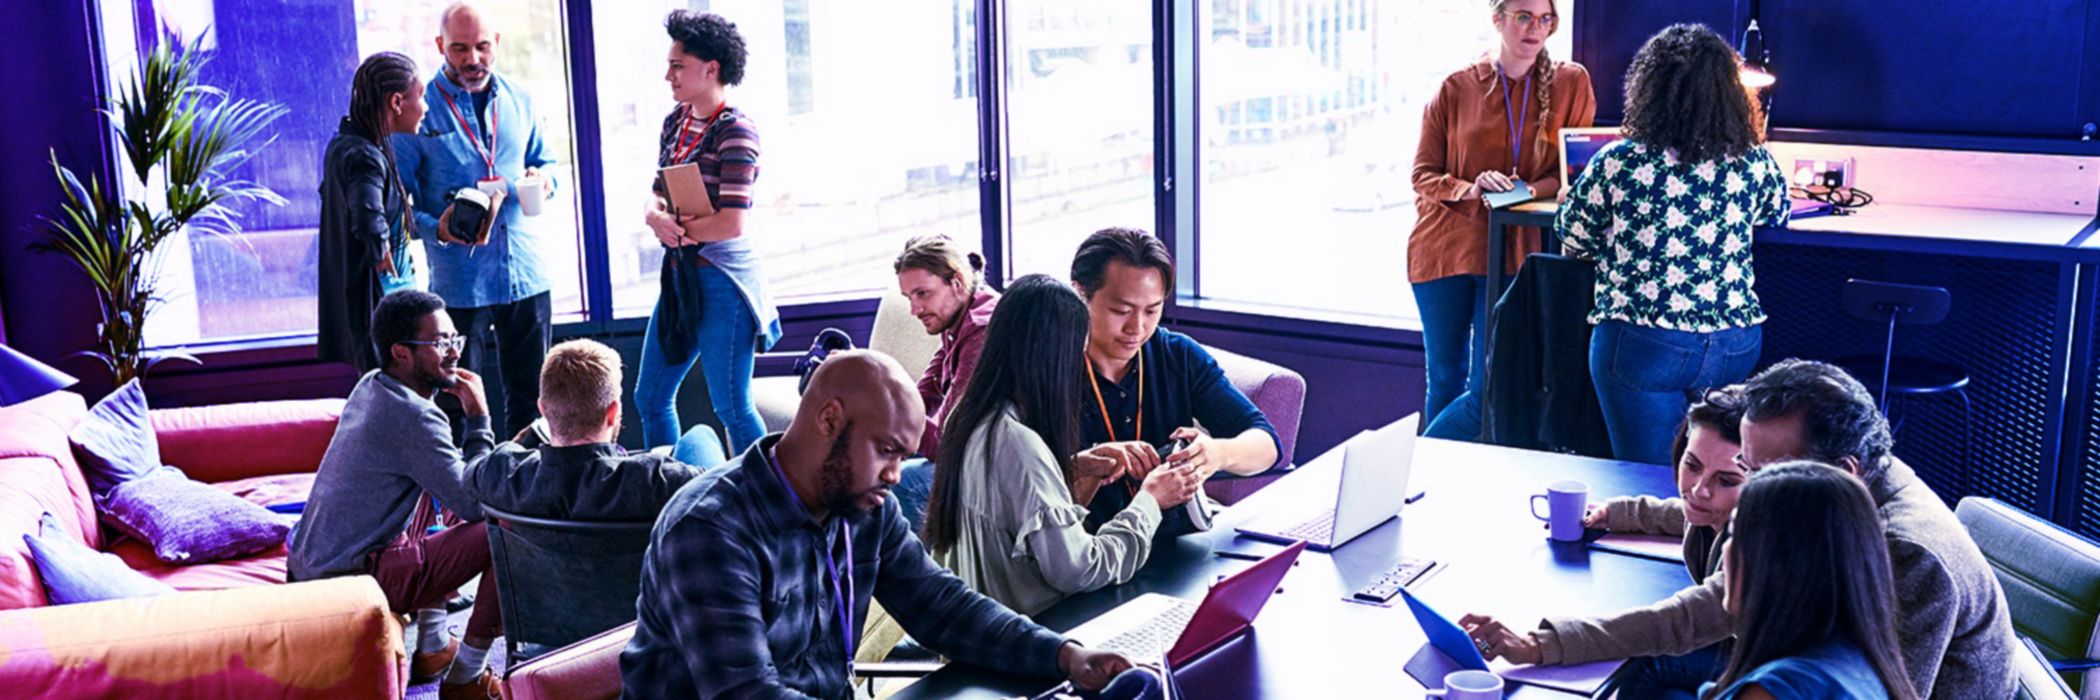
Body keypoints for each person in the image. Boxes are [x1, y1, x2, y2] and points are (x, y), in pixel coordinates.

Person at [619, 350, 1135, 697]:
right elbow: (746, 693)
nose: (895, 475)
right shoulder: (710, 529)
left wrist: (1066, 655)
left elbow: (941, 606)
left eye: (903, 456)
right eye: (886, 450)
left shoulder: (863, 505)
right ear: (828, 419)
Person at [1553, 23, 1789, 464]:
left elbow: (1573, 236)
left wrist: (1581, 205)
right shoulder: (1753, 160)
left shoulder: (1620, 161)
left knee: (1646, 475)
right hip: (1734, 343)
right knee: (1716, 475)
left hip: (1645, 340)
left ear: (1649, 90)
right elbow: (1775, 212)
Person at [922, 275, 1201, 615]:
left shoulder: (968, 414)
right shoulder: (1019, 446)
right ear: (1055, 359)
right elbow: (1079, 569)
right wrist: (1150, 501)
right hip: (1032, 630)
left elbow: (1016, 525)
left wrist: (1070, 469)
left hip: (974, 623)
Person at [1732, 360, 2013, 698]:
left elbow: (1883, 691)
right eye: (1747, 468)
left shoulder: (1905, 551)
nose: (1750, 490)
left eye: (1767, 474)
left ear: (1844, 470)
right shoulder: (1865, 482)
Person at [1459, 387, 1749, 696]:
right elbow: (1683, 513)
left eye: (1726, 480)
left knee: (1646, 662)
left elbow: (1677, 622)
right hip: (1742, 648)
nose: (1699, 490)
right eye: (1692, 465)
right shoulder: (1728, 509)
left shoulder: (1761, 549)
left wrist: (1538, 645)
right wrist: (1615, 512)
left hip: (1766, 671)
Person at [287, 290, 502, 700]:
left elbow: (448, 479)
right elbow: (475, 504)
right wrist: (479, 418)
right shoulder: (414, 416)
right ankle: (466, 677)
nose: (454, 351)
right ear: (401, 352)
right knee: (502, 529)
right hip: (346, 579)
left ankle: (433, 645)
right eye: (439, 342)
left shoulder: (372, 384)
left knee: (437, 485)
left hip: (312, 564)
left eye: (454, 338)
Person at [1411, 0, 1596, 441]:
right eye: (1524, 17)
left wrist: (1528, 190)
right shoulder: (1457, 86)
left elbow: (1574, 172)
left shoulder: (1572, 82)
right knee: (1444, 379)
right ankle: (1436, 477)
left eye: (1545, 19)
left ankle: (1415, 462)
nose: (1535, 28)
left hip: (1513, 252)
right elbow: (1422, 175)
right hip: (1444, 250)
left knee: (1486, 390)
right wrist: (1469, 188)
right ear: (1497, 20)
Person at [396, 2, 561, 437]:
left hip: (525, 272)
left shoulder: (521, 99)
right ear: (440, 45)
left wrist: (544, 181)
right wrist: (436, 229)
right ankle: (465, 483)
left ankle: (527, 481)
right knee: (456, 402)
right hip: (459, 280)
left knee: (534, 403)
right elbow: (395, 205)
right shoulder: (419, 110)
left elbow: (547, 162)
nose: (472, 59)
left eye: (482, 47)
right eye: (460, 48)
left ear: (497, 43)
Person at [1067, 228, 1280, 540]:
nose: (1137, 328)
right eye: (1121, 311)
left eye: (1152, 310)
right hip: (1093, 549)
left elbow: (1268, 444)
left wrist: (1217, 453)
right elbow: (1022, 497)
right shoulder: (1049, 366)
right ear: (1079, 293)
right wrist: (1083, 467)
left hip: (1178, 539)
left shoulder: (1175, 354)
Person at [634, 9, 781, 456]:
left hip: (723, 280)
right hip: (681, 276)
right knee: (649, 398)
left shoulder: (736, 131)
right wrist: (654, 217)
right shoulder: (676, 121)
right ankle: (666, 488)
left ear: (711, 69)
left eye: (678, 66)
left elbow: (731, 223)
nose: (668, 76)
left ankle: (765, 495)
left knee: (732, 407)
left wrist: (673, 228)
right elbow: (657, 192)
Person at [1702, 462, 1916, 700]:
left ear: (1781, 559)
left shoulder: (1779, 690)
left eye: (1736, 533)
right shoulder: (1858, 663)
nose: (1726, 549)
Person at [466, 339, 702, 521]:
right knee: (699, 436)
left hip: (540, 572)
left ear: (543, 410)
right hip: (640, 573)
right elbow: (718, 490)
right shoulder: (654, 479)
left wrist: (479, 419)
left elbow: (472, 468)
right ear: (612, 412)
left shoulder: (503, 474)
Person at [317, 52, 424, 372]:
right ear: (396, 102)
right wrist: (379, 247)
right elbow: (366, 212)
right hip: (382, 309)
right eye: (421, 96)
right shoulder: (364, 155)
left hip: (372, 308)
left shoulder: (348, 143)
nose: (425, 107)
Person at [890, 233, 999, 533]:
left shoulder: (981, 331)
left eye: (923, 294)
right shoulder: (958, 318)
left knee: (899, 483)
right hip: (969, 453)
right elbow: (921, 396)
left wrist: (881, 392)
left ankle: (919, 564)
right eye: (909, 298)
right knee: (868, 462)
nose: (914, 310)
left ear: (957, 282)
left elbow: (944, 444)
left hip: (994, 468)